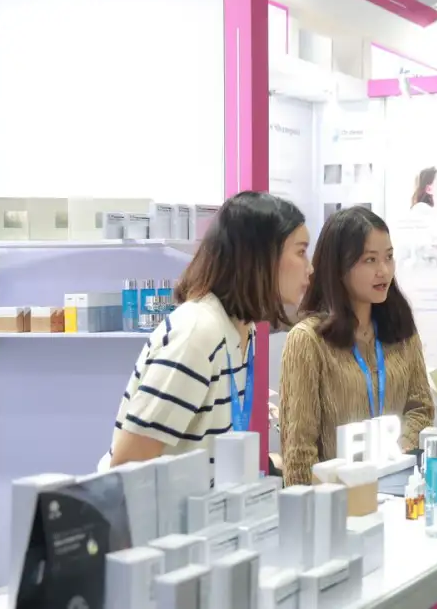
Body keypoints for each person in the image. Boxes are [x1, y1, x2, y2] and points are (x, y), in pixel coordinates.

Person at [104, 192, 312, 469]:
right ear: (261, 257)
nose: (310, 268)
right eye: (300, 252)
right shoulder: (198, 333)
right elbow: (126, 467)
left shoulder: (241, 329)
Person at [280, 206, 434, 485]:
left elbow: (421, 408)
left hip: (397, 490)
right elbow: (299, 447)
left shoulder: (400, 329)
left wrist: (395, 451)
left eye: (388, 257)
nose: (383, 271)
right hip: (335, 499)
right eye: (370, 260)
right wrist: (308, 504)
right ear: (339, 267)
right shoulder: (308, 340)